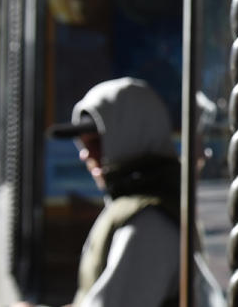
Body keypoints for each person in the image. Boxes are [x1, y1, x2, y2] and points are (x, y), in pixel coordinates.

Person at [50, 77, 182, 307]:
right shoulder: (135, 209)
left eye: (96, 142)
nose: (86, 154)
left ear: (132, 136)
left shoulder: (148, 222)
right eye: (83, 144)